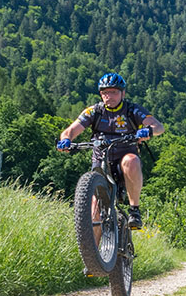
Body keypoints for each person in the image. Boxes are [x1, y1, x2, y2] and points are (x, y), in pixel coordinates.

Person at [56, 72, 164, 229]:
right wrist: (65, 140)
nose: (109, 96)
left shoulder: (132, 110)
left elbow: (158, 126)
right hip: (100, 160)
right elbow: (70, 131)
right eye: (105, 92)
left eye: (114, 92)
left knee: (131, 160)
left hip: (124, 160)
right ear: (101, 94)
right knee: (94, 210)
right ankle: (92, 252)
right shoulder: (95, 112)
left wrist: (149, 131)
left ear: (123, 93)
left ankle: (134, 210)